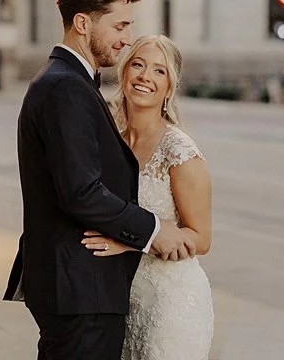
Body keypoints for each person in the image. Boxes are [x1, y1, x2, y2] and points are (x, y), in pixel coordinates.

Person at [4, 0, 196, 360]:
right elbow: (80, 191)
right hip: (79, 289)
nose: (126, 39)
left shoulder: (65, 82)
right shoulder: (65, 88)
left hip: (77, 287)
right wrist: (154, 229)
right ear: (82, 23)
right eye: (120, 26)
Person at [82, 35, 214, 360]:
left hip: (171, 303)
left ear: (169, 88)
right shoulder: (110, 142)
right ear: (124, 73)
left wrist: (130, 241)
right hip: (123, 300)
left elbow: (202, 238)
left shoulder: (180, 152)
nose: (145, 77)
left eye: (159, 71)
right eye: (138, 65)